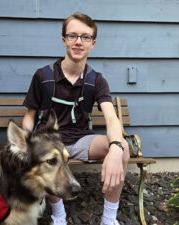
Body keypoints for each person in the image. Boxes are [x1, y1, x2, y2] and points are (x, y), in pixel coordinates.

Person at [22, 13, 130, 225]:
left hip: (81, 140)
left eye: (85, 37)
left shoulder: (96, 80)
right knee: (46, 153)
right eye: (72, 36)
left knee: (123, 148)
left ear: (93, 43)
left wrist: (117, 147)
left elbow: (111, 116)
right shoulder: (43, 76)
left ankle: (109, 219)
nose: (78, 41)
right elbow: (29, 116)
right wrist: (26, 142)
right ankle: (59, 214)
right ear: (64, 40)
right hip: (50, 142)